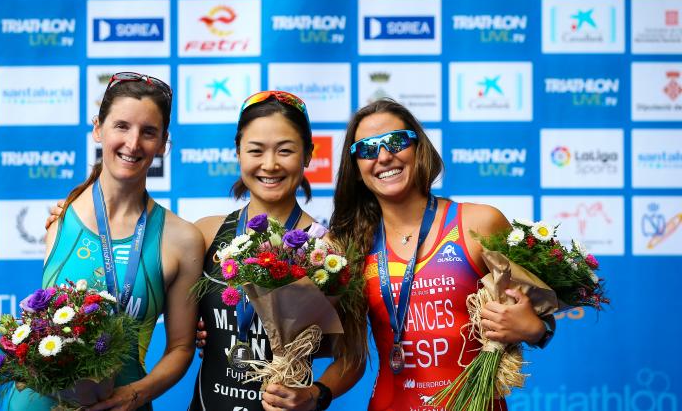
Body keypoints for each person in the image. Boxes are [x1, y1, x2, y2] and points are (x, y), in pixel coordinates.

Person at [328, 99, 552, 411]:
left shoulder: (479, 223)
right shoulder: (348, 247)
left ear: (419, 148)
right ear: (355, 168)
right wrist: (313, 393)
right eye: (367, 149)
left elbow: (540, 313)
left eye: (396, 142)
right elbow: (350, 356)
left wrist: (537, 330)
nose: (383, 156)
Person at [11, 72, 204, 411]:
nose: (132, 143)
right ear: (98, 128)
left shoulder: (182, 238)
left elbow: (181, 348)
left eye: (148, 132)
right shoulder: (61, 217)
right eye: (121, 126)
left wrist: (137, 394)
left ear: (163, 143)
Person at [189, 91, 366, 411]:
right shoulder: (206, 232)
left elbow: (352, 356)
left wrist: (315, 395)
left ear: (309, 154)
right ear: (238, 152)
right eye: (256, 150)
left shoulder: (329, 252)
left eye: (285, 150)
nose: (269, 164)